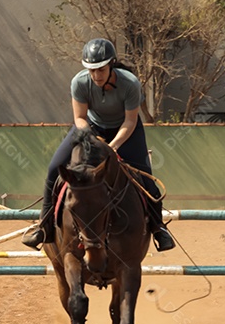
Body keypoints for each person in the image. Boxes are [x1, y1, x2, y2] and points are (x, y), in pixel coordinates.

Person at [22, 38, 175, 252]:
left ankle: (159, 228)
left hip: (125, 130)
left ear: (111, 64)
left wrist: (112, 148)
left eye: (101, 69)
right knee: (52, 169)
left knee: (145, 177)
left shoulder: (129, 83)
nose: (96, 75)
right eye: (91, 70)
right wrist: (92, 140)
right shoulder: (79, 82)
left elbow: (130, 121)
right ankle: (44, 227)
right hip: (89, 128)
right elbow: (80, 117)